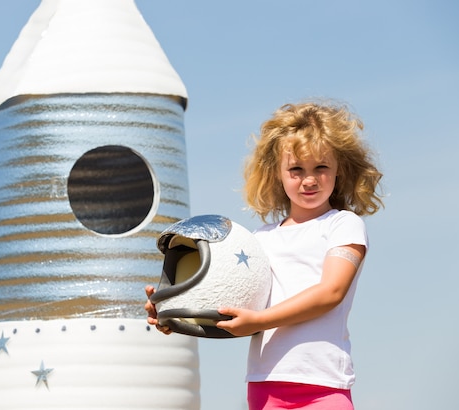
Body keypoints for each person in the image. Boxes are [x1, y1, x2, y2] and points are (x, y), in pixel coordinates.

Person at [145, 100, 384, 409]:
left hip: (324, 385)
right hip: (264, 387)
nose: (309, 179)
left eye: (321, 167)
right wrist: (173, 312)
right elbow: (235, 307)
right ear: (278, 174)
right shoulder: (259, 239)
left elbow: (331, 292)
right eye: (296, 169)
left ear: (340, 170)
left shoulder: (344, 224)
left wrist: (259, 319)